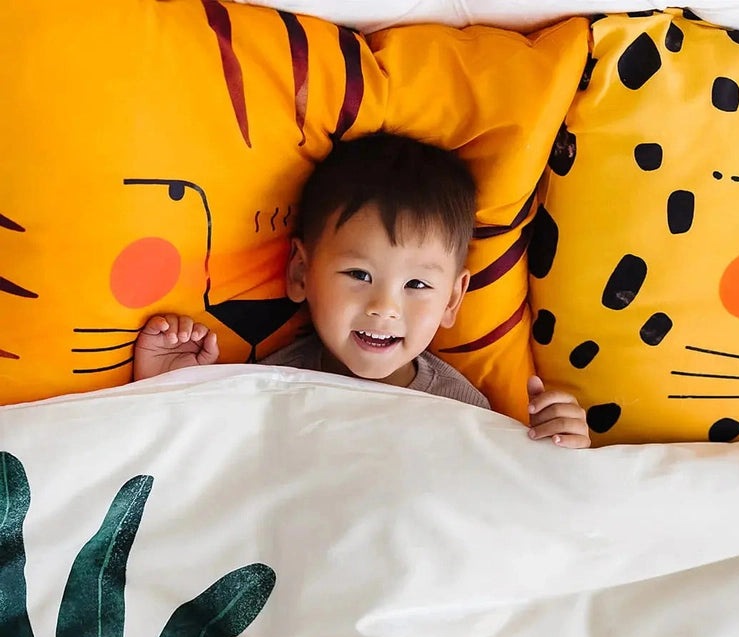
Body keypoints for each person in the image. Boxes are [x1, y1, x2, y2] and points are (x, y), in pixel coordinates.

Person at [133, 131, 591, 448]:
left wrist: (553, 447)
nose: (384, 308)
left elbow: (501, 506)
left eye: (416, 284)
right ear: (300, 274)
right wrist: (169, 385)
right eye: (359, 275)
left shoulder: (460, 407)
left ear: (452, 299)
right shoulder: (270, 383)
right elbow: (196, 464)